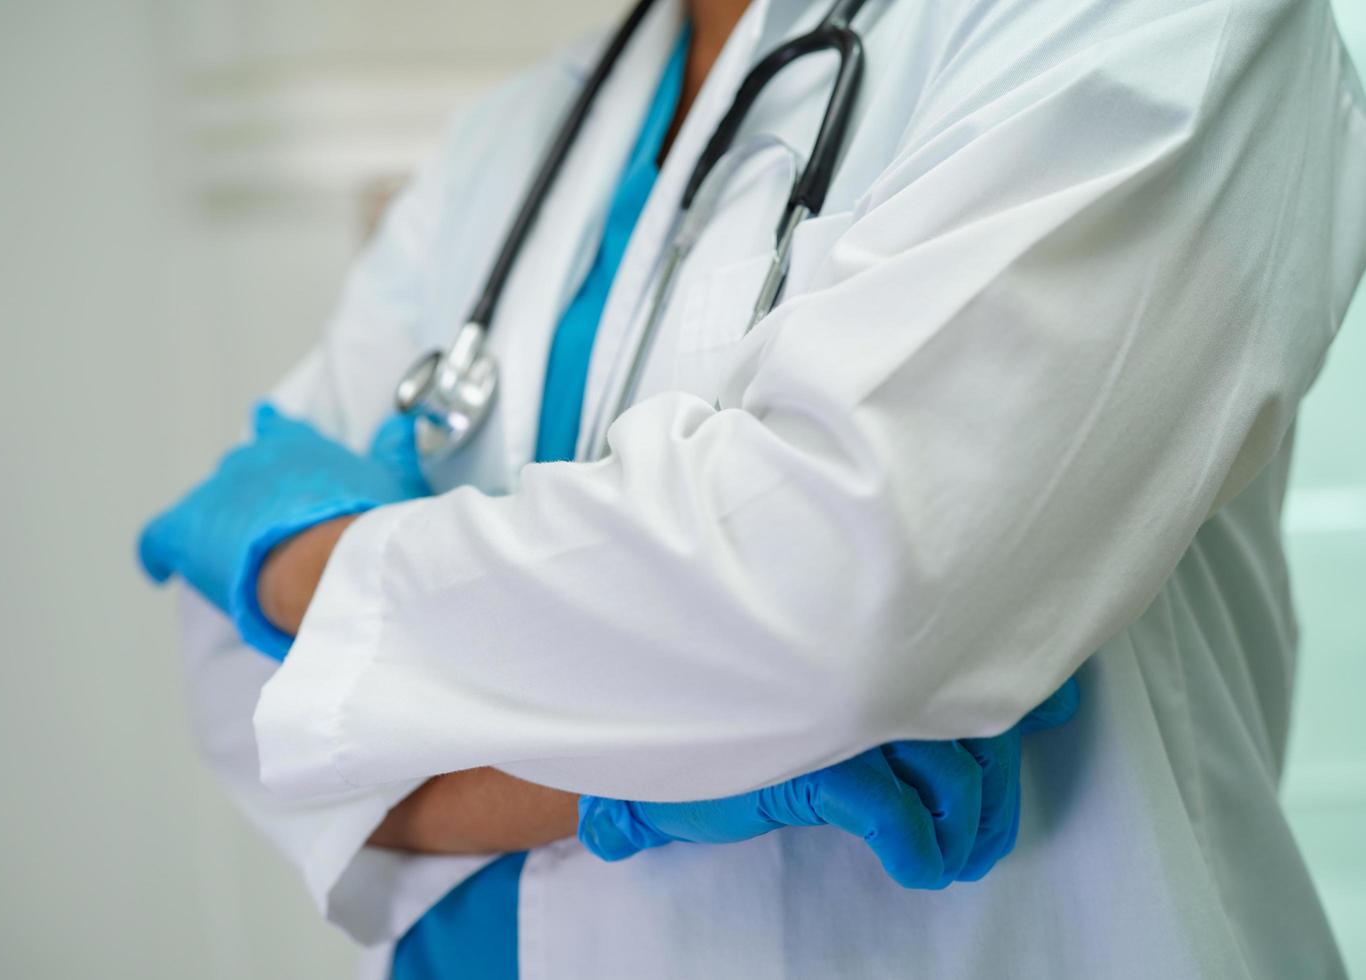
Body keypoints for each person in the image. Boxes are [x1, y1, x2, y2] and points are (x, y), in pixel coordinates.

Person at [141, 0, 1366, 976]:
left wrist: (297, 561)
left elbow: (847, 588)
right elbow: (245, 700)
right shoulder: (507, 144)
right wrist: (623, 780)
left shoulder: (1155, 22)